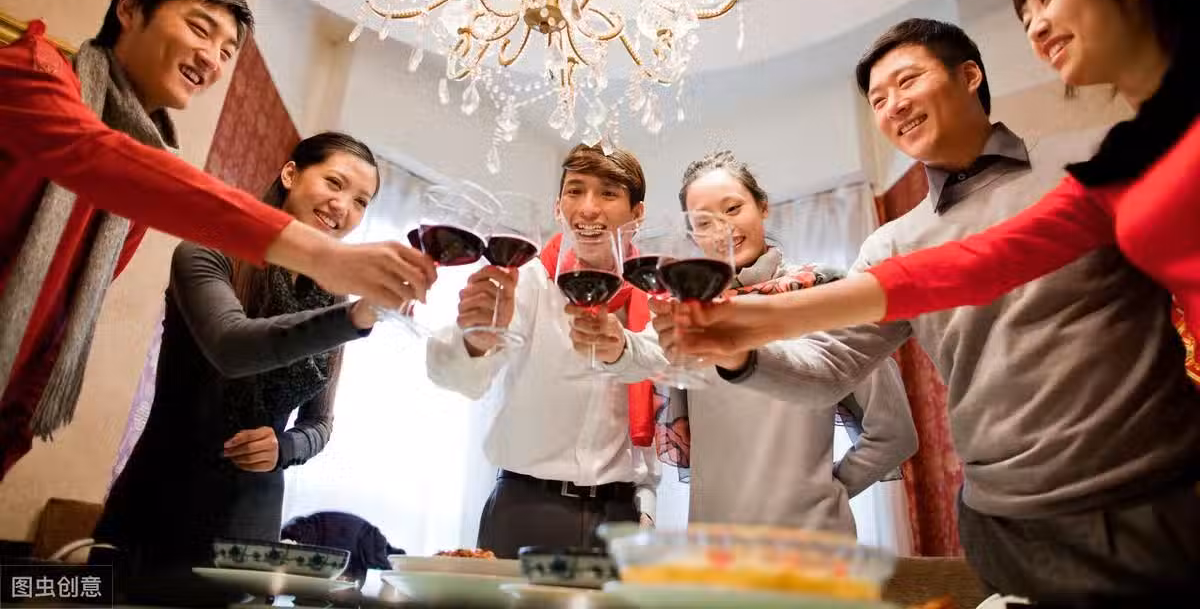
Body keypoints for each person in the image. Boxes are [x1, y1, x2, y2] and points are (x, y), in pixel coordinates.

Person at [658, 16, 1200, 602]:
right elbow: (830, 370)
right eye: (877, 99)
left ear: (969, 75)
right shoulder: (891, 244)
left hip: (1148, 496)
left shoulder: (1090, 161)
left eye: (907, 81)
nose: (893, 105)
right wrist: (739, 355)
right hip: (1000, 520)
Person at [667, 0, 1200, 392]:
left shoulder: (1097, 154)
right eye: (877, 99)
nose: (1036, 29)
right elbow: (964, 269)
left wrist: (754, 318)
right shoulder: (1117, 165)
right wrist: (747, 323)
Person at [0, 0, 435, 475]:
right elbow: (96, 157)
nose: (212, 59)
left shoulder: (145, 160)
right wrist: (326, 259)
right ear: (130, 9)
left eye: (228, 51)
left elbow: (57, 314)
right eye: (199, 30)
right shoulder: (30, 70)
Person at [93, 132, 384, 600]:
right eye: (334, 182)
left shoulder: (333, 299)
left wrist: (284, 447)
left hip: (252, 530)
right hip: (163, 506)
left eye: (361, 201)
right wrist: (354, 318)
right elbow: (231, 346)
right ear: (290, 174)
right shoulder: (208, 250)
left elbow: (321, 423)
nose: (343, 206)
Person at [596, 150, 917, 533]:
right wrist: (611, 344)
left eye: (733, 209)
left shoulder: (825, 294)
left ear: (763, 206)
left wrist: (825, 493)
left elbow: (894, 433)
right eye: (704, 222)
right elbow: (640, 355)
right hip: (713, 542)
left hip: (811, 541)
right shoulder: (688, 311)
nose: (723, 229)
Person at [426, 144, 658, 558]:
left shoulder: (654, 296)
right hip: (525, 508)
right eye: (575, 191)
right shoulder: (526, 281)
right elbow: (460, 380)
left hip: (622, 516)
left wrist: (648, 507)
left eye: (608, 193)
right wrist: (476, 340)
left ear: (637, 214)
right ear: (557, 206)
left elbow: (665, 379)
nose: (588, 208)